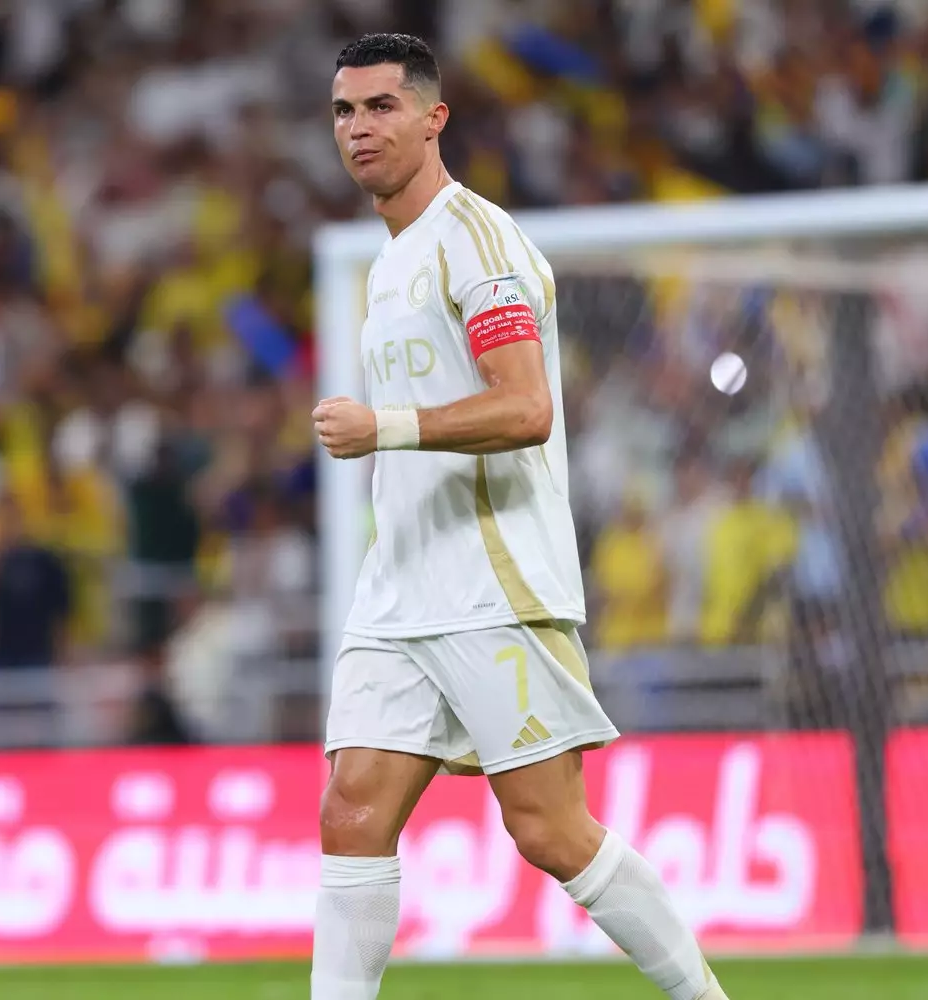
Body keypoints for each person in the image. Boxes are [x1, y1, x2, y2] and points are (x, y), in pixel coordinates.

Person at [310, 34, 728, 1000]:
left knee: (547, 828)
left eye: (381, 107)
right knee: (351, 813)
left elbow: (526, 406)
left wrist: (386, 427)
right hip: (399, 589)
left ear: (432, 117)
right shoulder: (387, 268)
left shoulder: (477, 240)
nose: (360, 129)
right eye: (344, 111)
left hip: (490, 583)